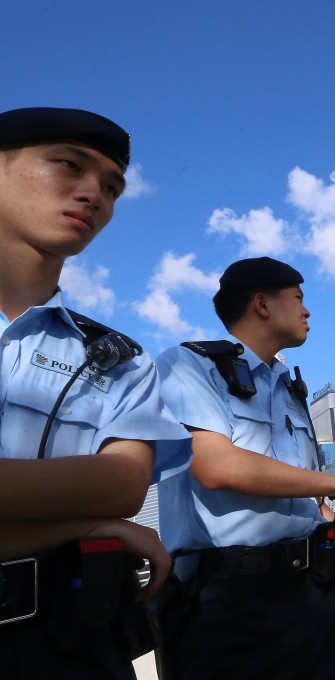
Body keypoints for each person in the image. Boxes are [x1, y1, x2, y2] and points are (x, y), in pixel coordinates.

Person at [0, 107, 193, 679]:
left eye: (111, 187)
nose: (95, 195)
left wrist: (100, 514)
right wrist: (81, 523)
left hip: (71, 642)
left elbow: (123, 485)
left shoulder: (116, 357)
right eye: (68, 165)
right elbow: (103, 507)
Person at [155, 256, 335, 680]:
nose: (307, 310)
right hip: (228, 604)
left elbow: (302, 499)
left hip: (309, 594)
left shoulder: (289, 388)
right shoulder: (188, 366)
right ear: (262, 304)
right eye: (297, 298)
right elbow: (215, 466)